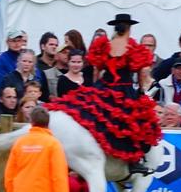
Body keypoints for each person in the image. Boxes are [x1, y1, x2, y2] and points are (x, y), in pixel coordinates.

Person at [43, 14, 160, 176]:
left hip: (104, 87)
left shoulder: (104, 45)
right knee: (138, 122)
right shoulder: (133, 47)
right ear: (129, 28)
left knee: (93, 118)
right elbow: (141, 73)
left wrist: (96, 88)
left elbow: (97, 70)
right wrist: (140, 91)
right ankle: (135, 162)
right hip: (124, 89)